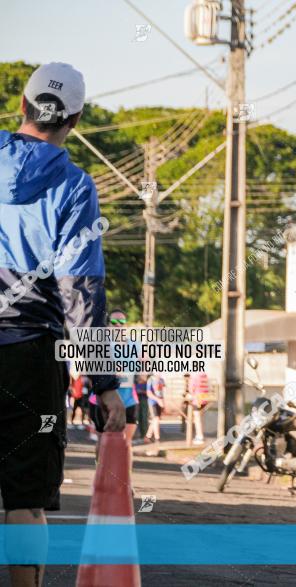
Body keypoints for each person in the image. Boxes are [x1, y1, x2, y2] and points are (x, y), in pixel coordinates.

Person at [0, 62, 124, 587]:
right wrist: (104, 385)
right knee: (25, 500)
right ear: (75, 117)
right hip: (30, 355)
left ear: (22, 106)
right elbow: (82, 292)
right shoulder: (75, 187)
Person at [88, 309, 139, 455]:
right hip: (103, 400)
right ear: (108, 325)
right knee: (103, 442)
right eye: (114, 322)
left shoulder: (135, 345)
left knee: (126, 444)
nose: (118, 325)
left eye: (121, 322)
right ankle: (102, 476)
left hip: (128, 400)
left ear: (126, 325)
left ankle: (124, 478)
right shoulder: (102, 346)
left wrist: (143, 370)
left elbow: (144, 367)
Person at [187, 371, 210, 444]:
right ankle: (200, 435)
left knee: (197, 418)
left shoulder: (193, 377)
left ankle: (199, 437)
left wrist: (190, 395)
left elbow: (191, 389)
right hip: (205, 398)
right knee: (199, 417)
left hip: (197, 399)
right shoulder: (204, 375)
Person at [145, 372, 166, 442]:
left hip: (160, 402)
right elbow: (149, 393)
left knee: (155, 420)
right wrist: (158, 400)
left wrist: (163, 402)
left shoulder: (162, 380)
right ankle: (157, 437)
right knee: (156, 419)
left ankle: (148, 436)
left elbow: (162, 392)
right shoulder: (150, 380)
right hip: (152, 402)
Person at [134, 373, 150, 440]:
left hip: (144, 399)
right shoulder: (134, 376)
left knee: (144, 417)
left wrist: (143, 392)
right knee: (136, 417)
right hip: (135, 399)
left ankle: (144, 435)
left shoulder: (149, 379)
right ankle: (136, 435)